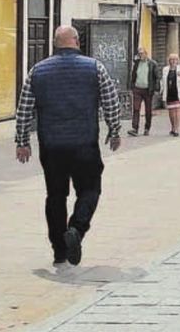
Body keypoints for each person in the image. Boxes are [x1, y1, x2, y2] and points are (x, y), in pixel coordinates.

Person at [14, 26, 121, 265]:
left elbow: (24, 109)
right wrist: (114, 131)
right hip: (85, 143)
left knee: (55, 196)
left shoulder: (37, 71)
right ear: (76, 41)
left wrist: (22, 141)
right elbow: (111, 102)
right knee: (90, 189)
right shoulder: (94, 67)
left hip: (51, 146)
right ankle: (76, 228)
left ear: (55, 43)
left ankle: (59, 250)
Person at [128, 47, 160, 137]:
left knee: (148, 110)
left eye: (142, 53)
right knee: (136, 108)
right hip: (137, 89)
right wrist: (132, 86)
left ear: (146, 54)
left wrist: (156, 89)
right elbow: (133, 75)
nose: (140, 55)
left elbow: (157, 77)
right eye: (139, 54)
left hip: (148, 90)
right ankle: (135, 128)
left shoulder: (152, 64)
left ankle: (147, 128)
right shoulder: (137, 63)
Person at [160, 54, 180, 136]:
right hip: (169, 92)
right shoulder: (165, 69)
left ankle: (176, 128)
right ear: (169, 61)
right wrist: (161, 90)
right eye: (171, 59)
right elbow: (162, 80)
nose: (173, 61)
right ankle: (173, 127)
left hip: (178, 92)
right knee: (171, 112)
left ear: (178, 60)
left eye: (175, 59)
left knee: (177, 110)